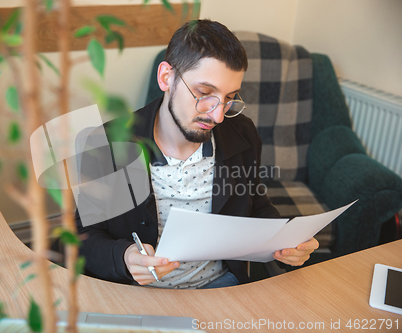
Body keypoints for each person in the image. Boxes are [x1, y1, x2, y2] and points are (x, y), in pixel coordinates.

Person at [76, 19, 318, 289]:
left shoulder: (242, 135)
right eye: (204, 93)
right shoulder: (111, 145)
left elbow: (256, 206)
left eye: (229, 98)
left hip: (222, 286)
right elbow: (81, 238)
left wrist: (287, 243)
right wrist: (124, 257)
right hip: (139, 294)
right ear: (166, 77)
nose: (217, 115)